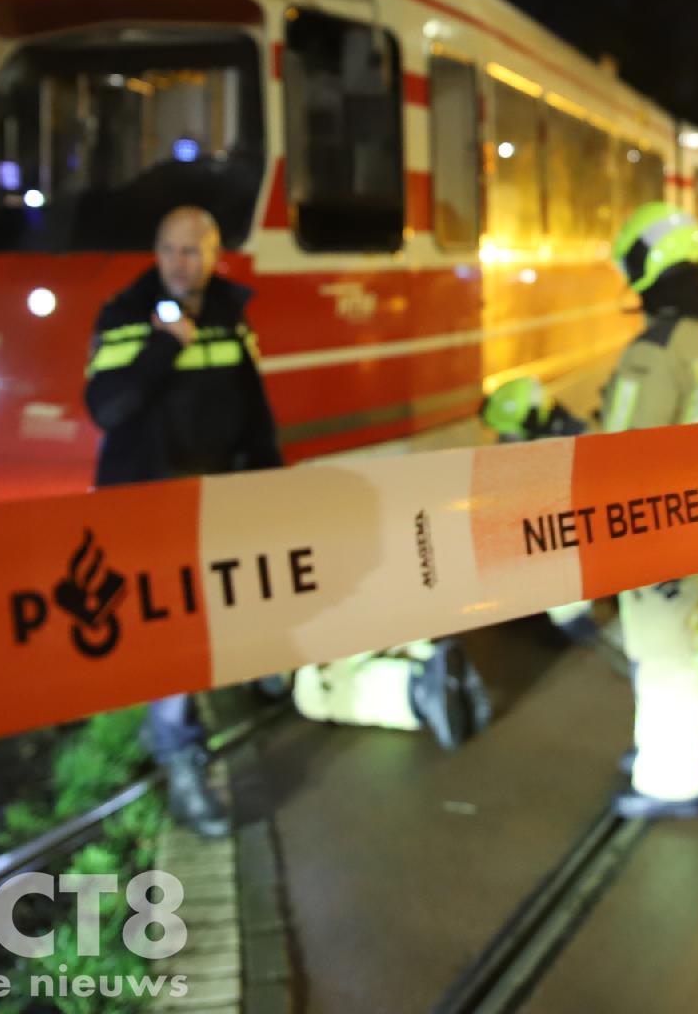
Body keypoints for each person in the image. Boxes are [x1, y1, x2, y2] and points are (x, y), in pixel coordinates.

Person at [85, 206, 487, 839]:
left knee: (227, 613)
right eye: (168, 249)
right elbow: (108, 408)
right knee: (182, 633)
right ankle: (178, 754)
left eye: (192, 252)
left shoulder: (228, 314)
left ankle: (235, 692)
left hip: (222, 495)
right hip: (152, 500)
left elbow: (251, 410)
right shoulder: (124, 314)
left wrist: (270, 483)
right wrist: (164, 346)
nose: (178, 263)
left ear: (217, 256)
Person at [599, 203, 698, 820]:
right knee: (686, 641)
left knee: (663, 652)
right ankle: (663, 749)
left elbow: (618, 455)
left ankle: (672, 779)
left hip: (659, 529)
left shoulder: (654, 350)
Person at [480, 376, 597, 641]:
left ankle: (580, 630)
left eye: (509, 431)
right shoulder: (549, 430)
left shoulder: (571, 440)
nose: (505, 438)